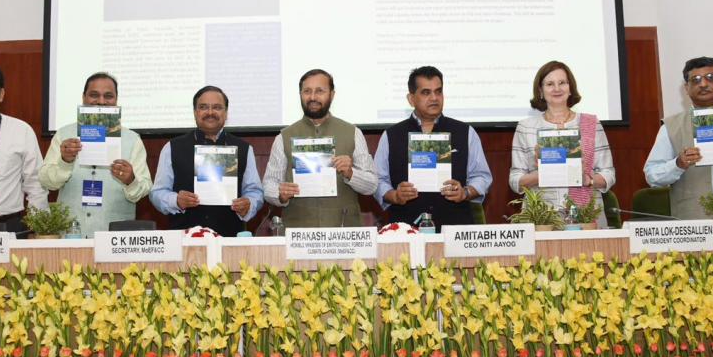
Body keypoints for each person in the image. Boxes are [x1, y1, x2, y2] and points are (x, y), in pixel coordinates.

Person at [374, 66, 492, 231]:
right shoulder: (391, 135)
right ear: (411, 99)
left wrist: (465, 192)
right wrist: (395, 195)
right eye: (426, 93)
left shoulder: (465, 132)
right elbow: (378, 180)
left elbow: (482, 177)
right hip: (406, 229)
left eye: (438, 91)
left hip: (455, 228)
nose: (434, 98)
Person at [40, 72, 152, 237]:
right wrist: (65, 161)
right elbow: (47, 182)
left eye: (108, 96)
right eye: (94, 95)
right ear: (83, 98)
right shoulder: (64, 135)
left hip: (114, 236)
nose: (101, 101)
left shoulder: (132, 140)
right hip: (70, 233)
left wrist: (131, 180)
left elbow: (144, 189)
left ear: (116, 100)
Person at [263, 69, 377, 227]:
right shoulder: (283, 137)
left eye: (320, 91)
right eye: (307, 91)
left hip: (344, 231)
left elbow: (372, 185)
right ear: (300, 94)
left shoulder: (353, 133)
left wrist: (351, 173)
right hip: (298, 233)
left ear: (332, 94)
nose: (312, 97)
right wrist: (280, 194)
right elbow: (269, 184)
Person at [509, 61, 614, 228]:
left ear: (570, 87)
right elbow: (515, 180)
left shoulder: (591, 123)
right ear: (540, 90)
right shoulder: (526, 127)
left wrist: (588, 179)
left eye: (562, 83)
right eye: (550, 84)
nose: (557, 88)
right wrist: (543, 174)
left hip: (586, 215)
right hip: (541, 216)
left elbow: (608, 174)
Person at [150, 86, 263, 235]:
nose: (210, 112)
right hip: (184, 240)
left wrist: (249, 204)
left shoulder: (244, 148)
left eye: (217, 107)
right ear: (195, 112)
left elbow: (255, 192)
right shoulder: (172, 147)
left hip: (230, 238)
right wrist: (176, 200)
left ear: (226, 113)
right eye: (203, 107)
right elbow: (157, 193)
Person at [0, 62, 47, 235]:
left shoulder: (20, 131)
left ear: (1, 94)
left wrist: (38, 229)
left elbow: (36, 184)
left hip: (9, 228)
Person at [644, 56, 713, 219]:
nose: (703, 84)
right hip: (694, 223)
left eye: (711, 78)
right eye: (696, 80)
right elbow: (652, 176)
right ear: (686, 88)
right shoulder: (671, 126)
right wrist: (678, 164)